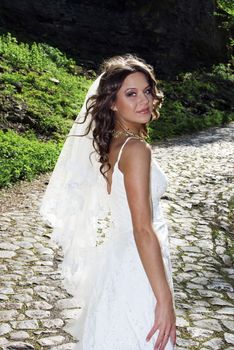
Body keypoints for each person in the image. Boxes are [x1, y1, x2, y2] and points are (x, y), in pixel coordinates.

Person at [39, 54, 176, 350]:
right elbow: (142, 229)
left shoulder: (114, 144)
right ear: (113, 103)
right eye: (131, 94)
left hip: (121, 261)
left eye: (147, 91)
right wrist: (164, 300)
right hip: (139, 267)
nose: (144, 100)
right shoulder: (136, 149)